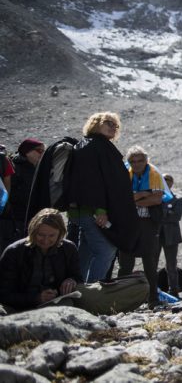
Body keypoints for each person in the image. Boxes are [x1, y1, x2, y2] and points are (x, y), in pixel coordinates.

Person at [65, 112, 139, 283]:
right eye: (108, 123)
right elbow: (92, 182)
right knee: (106, 251)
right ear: (95, 123)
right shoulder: (93, 146)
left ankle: (78, 290)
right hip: (93, 211)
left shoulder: (92, 145)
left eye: (116, 125)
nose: (113, 127)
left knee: (86, 251)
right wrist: (100, 210)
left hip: (85, 210)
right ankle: (92, 294)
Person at [0, 208, 80, 312]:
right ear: (33, 231)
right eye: (41, 235)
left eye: (51, 236)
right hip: (16, 306)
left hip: (54, 303)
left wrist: (71, 281)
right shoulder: (15, 252)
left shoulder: (69, 249)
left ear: (60, 233)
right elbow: (3, 293)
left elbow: (78, 278)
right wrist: (36, 298)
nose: (46, 241)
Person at [119, 146, 170, 307]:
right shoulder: (125, 174)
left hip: (148, 223)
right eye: (133, 161)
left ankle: (153, 299)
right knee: (125, 262)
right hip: (129, 223)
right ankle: (122, 300)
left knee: (150, 262)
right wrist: (143, 194)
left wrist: (133, 199)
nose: (137, 164)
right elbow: (122, 199)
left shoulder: (154, 174)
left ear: (146, 160)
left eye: (140, 160)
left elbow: (156, 200)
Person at [1, 138, 45, 252]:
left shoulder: (37, 169)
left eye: (43, 151)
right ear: (27, 152)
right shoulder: (16, 168)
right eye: (39, 150)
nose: (42, 154)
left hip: (28, 220)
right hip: (12, 220)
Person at [159, 173, 182, 298]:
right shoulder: (155, 197)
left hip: (172, 235)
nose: (166, 182)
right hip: (157, 234)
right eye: (164, 179)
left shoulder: (178, 198)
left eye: (168, 180)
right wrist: (168, 211)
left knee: (171, 265)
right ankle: (153, 291)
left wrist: (162, 212)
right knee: (152, 263)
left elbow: (176, 216)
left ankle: (174, 290)